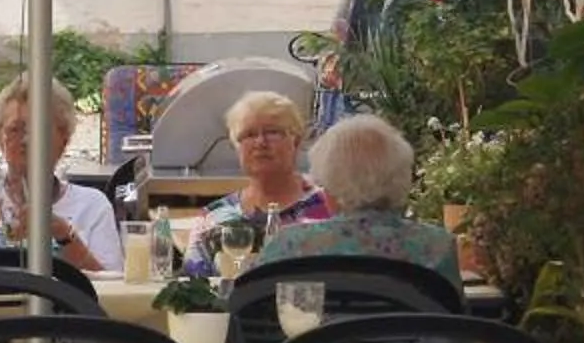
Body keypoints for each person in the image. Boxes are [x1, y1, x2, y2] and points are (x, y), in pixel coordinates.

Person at [0, 74, 120, 272]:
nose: (26, 140)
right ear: (0, 140)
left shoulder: (92, 206)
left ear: (64, 139)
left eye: (39, 129)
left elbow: (114, 288)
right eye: (15, 129)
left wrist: (63, 235)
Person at [257, 113, 462, 285]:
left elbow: (250, 311)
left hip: (313, 334)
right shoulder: (437, 246)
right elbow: (454, 324)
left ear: (330, 185)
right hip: (405, 334)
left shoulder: (289, 245)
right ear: (403, 177)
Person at [183, 90, 330, 275]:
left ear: (297, 141)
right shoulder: (214, 218)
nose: (261, 142)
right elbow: (190, 291)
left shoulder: (328, 208)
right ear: (236, 147)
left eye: (273, 132)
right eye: (249, 134)